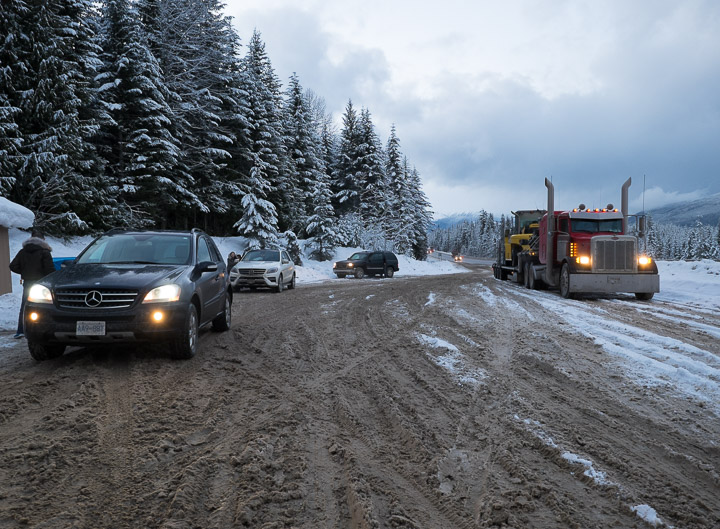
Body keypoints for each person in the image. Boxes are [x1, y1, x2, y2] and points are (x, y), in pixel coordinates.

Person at [9, 230, 55, 338]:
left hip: (28, 282)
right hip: (41, 284)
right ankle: (40, 330)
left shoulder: (22, 251)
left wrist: (25, 272)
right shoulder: (44, 252)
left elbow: (13, 266)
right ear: (43, 240)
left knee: (25, 306)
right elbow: (50, 270)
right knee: (43, 306)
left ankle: (20, 330)